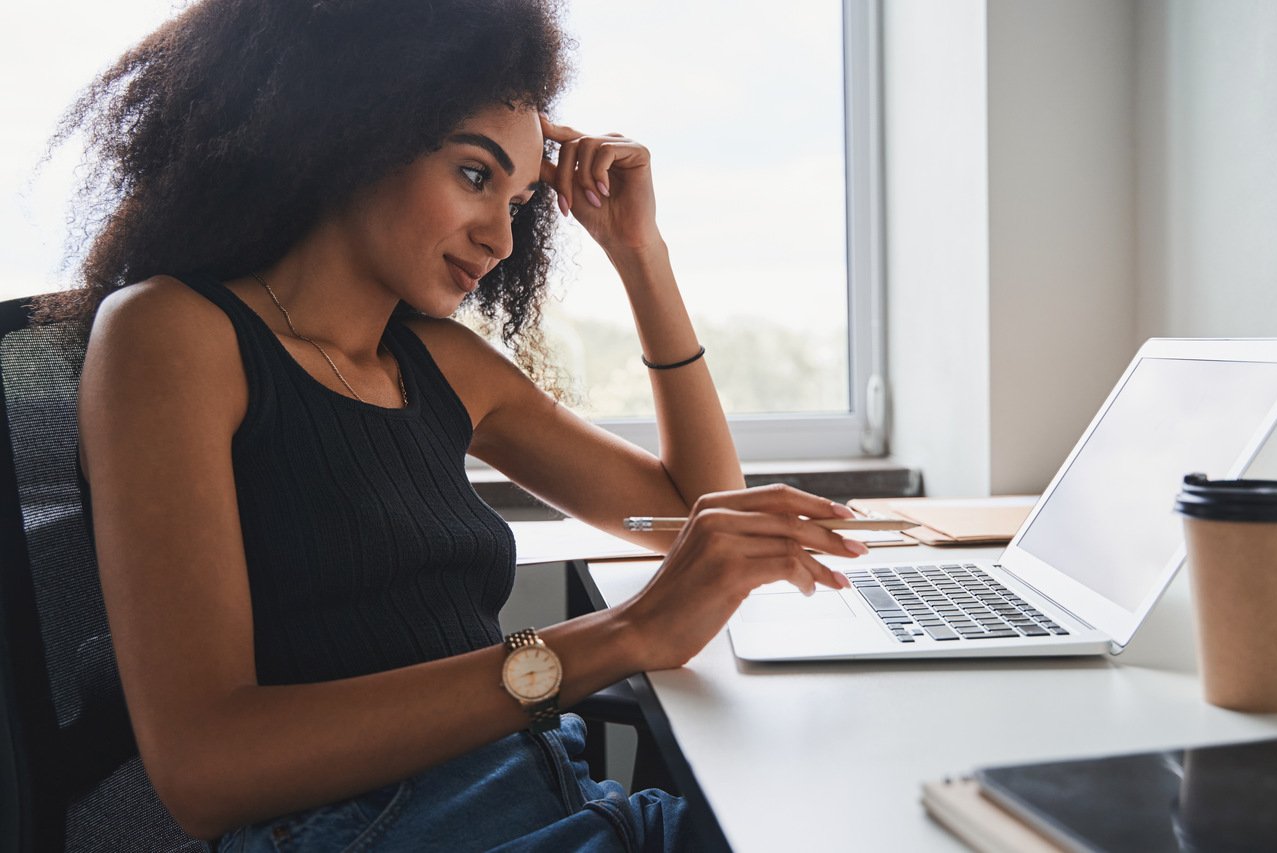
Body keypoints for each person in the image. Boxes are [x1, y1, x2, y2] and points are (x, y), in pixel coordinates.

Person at [51, 0, 869, 848]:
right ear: (356, 125)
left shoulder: (439, 362)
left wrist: (639, 254)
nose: (502, 239)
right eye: (475, 176)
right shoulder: (171, 333)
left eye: (518, 200)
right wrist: (621, 635)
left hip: (555, 793)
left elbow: (696, 515)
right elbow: (206, 769)